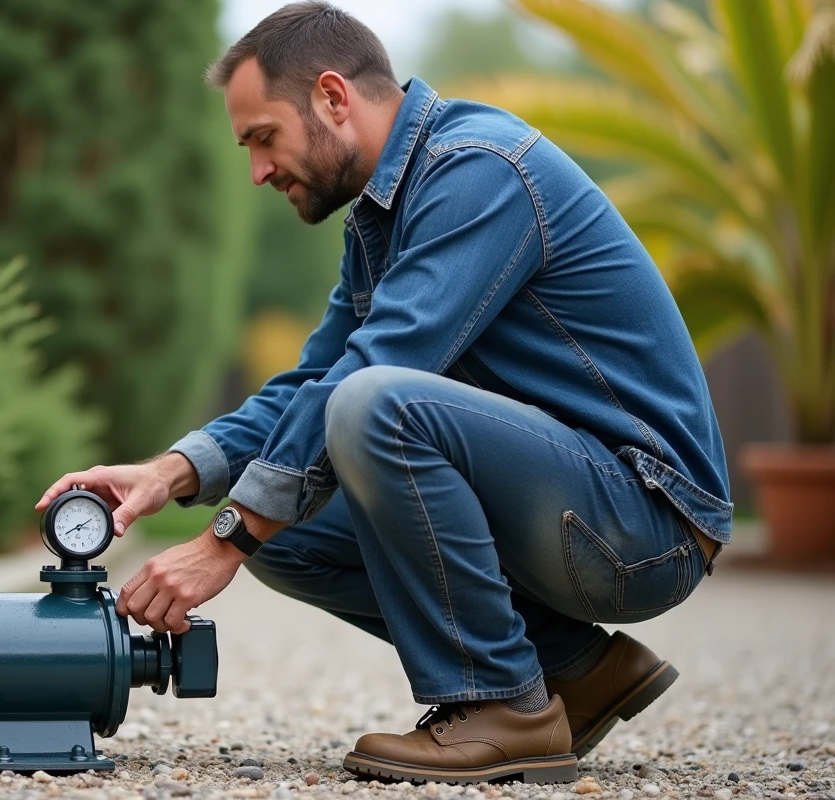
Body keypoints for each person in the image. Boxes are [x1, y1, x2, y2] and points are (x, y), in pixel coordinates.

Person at [37, 1, 731, 786]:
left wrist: (222, 542)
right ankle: (574, 672)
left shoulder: (480, 170)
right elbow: (309, 381)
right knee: (288, 531)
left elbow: (374, 371)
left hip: (643, 524)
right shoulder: (380, 220)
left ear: (334, 98)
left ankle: (501, 702)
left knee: (373, 406)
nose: (257, 170)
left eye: (264, 138)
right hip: (575, 505)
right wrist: (171, 473)